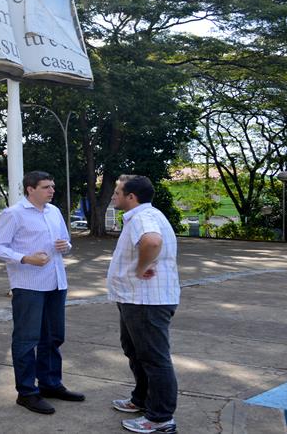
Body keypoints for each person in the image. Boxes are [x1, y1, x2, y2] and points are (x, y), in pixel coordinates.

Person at [0, 171, 84, 415]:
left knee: (53, 337)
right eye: (46, 187)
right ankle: (27, 392)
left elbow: (66, 242)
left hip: (56, 282)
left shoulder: (54, 212)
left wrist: (66, 246)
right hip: (29, 284)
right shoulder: (14, 214)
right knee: (26, 339)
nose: (52, 191)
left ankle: (51, 384)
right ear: (30, 189)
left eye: (52, 186)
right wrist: (25, 258)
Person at [107, 175, 180, 433]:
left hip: (146, 300)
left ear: (131, 197)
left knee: (154, 358)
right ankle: (142, 400)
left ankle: (160, 418)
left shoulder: (141, 217)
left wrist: (141, 267)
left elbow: (152, 241)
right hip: (135, 299)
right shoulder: (143, 216)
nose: (114, 196)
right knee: (136, 351)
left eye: (117, 192)